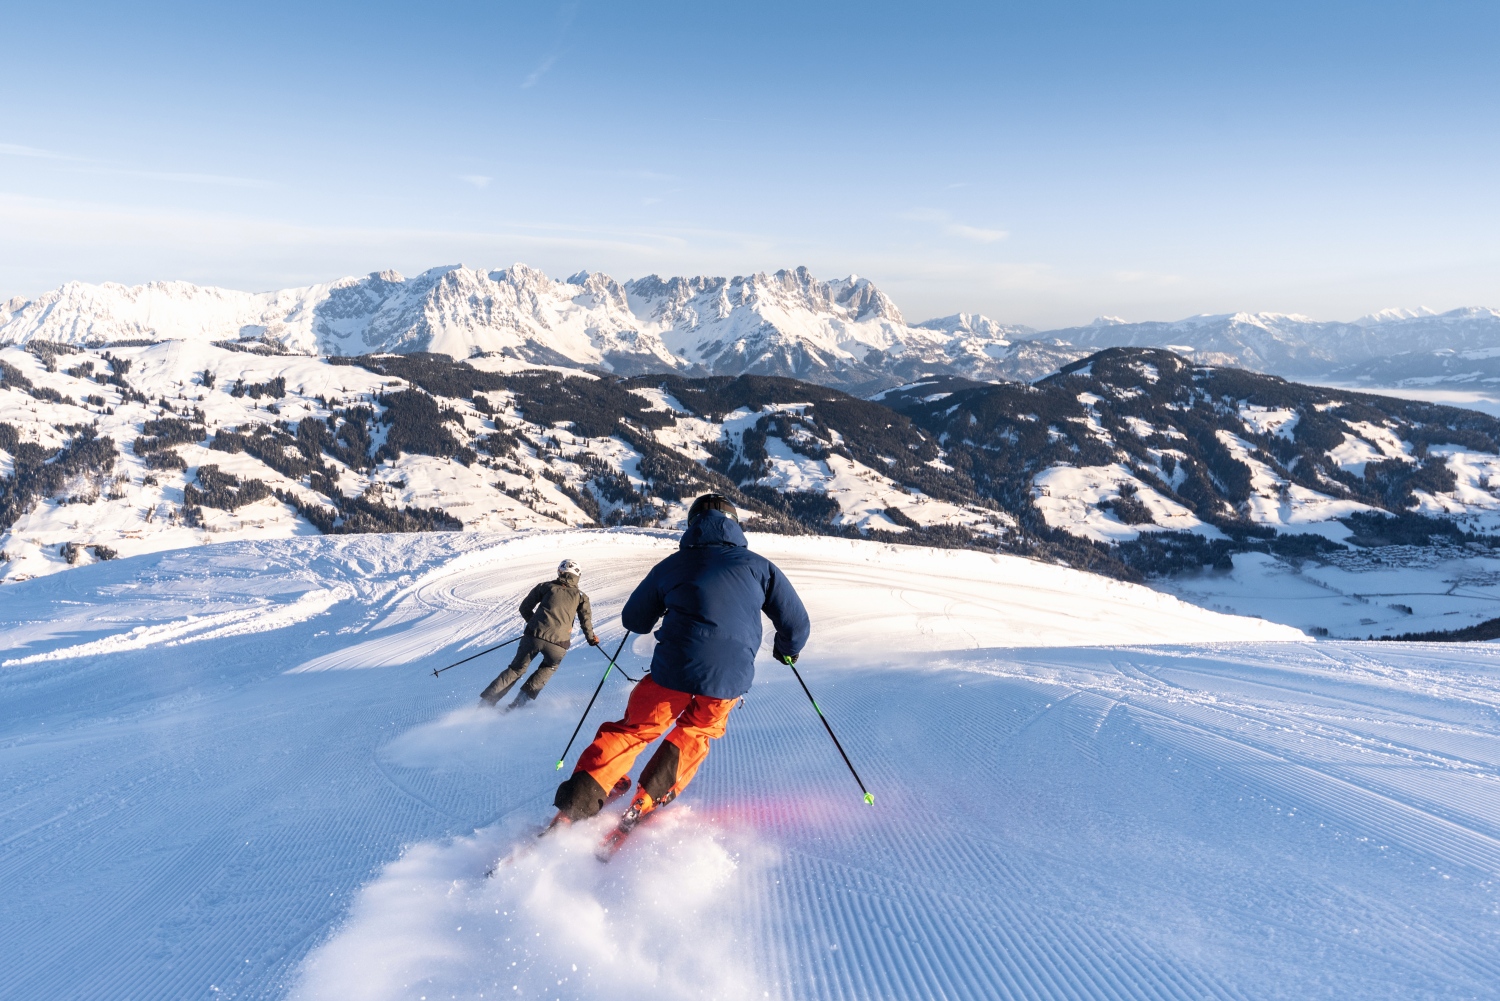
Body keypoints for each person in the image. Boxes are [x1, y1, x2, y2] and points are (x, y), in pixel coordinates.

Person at [552, 494, 810, 828]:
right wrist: (787, 650)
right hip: (728, 678)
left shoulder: (672, 566)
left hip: (671, 672)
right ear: (735, 525)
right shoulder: (761, 567)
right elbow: (796, 623)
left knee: (635, 730)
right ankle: (645, 800)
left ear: (692, 526)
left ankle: (580, 799)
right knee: (696, 730)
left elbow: (634, 619)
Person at [481, 558, 598, 710]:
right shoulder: (581, 596)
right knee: (549, 667)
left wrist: (534, 625)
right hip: (558, 644)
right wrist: (591, 639)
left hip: (533, 637)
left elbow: (524, 608)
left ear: (559, 572)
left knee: (516, 669)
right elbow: (586, 621)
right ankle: (517, 706)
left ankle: (486, 704)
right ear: (578, 576)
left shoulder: (545, 587)